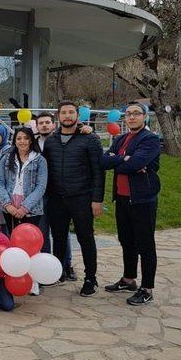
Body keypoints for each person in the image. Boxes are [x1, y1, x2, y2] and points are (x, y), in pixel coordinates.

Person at [42, 101, 105, 297]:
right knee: (59, 237)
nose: (67, 116)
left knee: (85, 238)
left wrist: (97, 199)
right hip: (57, 199)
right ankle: (58, 272)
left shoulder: (90, 139)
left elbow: (98, 171)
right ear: (58, 116)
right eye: (63, 113)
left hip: (82, 198)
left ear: (78, 116)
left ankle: (90, 279)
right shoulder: (51, 141)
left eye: (71, 112)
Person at [101, 102, 161, 305]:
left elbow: (136, 163)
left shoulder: (150, 139)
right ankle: (128, 279)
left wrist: (124, 161)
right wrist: (124, 158)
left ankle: (147, 288)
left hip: (142, 198)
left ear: (144, 116)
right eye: (128, 114)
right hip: (123, 198)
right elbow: (104, 161)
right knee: (126, 240)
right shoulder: (120, 139)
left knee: (145, 244)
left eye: (136, 113)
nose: (132, 117)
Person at [0, 126, 48, 296]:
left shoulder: (39, 160)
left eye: (25, 138)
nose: (22, 141)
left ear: (31, 140)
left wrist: (25, 207)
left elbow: (41, 186)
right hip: (10, 206)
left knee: (31, 246)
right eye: (19, 138)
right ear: (14, 140)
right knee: (13, 244)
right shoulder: (6, 158)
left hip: (31, 209)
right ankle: (14, 276)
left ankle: (33, 281)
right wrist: (8, 204)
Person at [35, 112, 76, 281]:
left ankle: (67, 265)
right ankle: (48, 267)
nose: (44, 125)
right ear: (36, 126)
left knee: (61, 232)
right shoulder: (32, 144)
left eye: (47, 122)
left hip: (58, 194)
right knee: (43, 233)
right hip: (40, 196)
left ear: (53, 124)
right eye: (41, 123)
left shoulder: (61, 140)